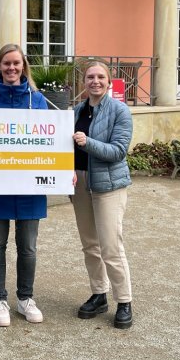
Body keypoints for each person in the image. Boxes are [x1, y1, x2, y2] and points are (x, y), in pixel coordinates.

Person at [0, 44, 49, 327]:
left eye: (16, 63)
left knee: (28, 246)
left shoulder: (38, 100)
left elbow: (50, 142)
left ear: (23, 66)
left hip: (29, 185)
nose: (11, 68)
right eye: (6, 63)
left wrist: (63, 170)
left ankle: (25, 298)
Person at [71, 60, 135, 329]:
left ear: (109, 82)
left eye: (100, 77)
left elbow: (118, 150)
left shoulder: (120, 111)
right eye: (90, 77)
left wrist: (88, 142)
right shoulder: (76, 111)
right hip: (80, 183)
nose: (95, 81)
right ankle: (99, 294)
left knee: (111, 246)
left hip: (109, 185)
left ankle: (124, 300)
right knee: (90, 245)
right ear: (84, 82)